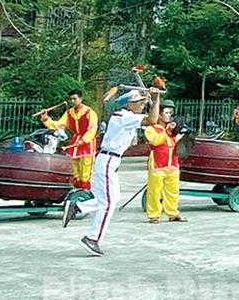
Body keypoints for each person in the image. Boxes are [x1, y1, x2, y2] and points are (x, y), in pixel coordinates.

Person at [63, 88, 160, 256]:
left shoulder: (126, 117)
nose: (142, 105)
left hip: (110, 161)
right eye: (139, 102)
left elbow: (152, 119)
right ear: (129, 104)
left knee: (113, 199)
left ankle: (77, 207)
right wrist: (156, 99)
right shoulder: (124, 117)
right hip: (108, 159)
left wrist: (153, 100)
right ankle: (92, 238)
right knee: (107, 203)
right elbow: (152, 120)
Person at [40, 89, 98, 190]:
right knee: (74, 169)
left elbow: (92, 129)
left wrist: (83, 140)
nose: (72, 101)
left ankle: (84, 192)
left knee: (85, 169)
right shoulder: (69, 113)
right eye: (71, 99)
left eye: (75, 99)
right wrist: (46, 119)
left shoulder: (89, 112)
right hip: (75, 142)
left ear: (81, 99)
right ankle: (75, 191)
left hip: (87, 144)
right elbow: (58, 125)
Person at [144, 99, 185, 223]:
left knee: (173, 191)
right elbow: (155, 141)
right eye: (166, 113)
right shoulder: (151, 129)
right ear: (159, 114)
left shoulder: (173, 130)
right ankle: (153, 215)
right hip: (157, 165)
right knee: (154, 192)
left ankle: (173, 213)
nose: (169, 115)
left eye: (170, 113)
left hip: (172, 164)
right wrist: (167, 131)